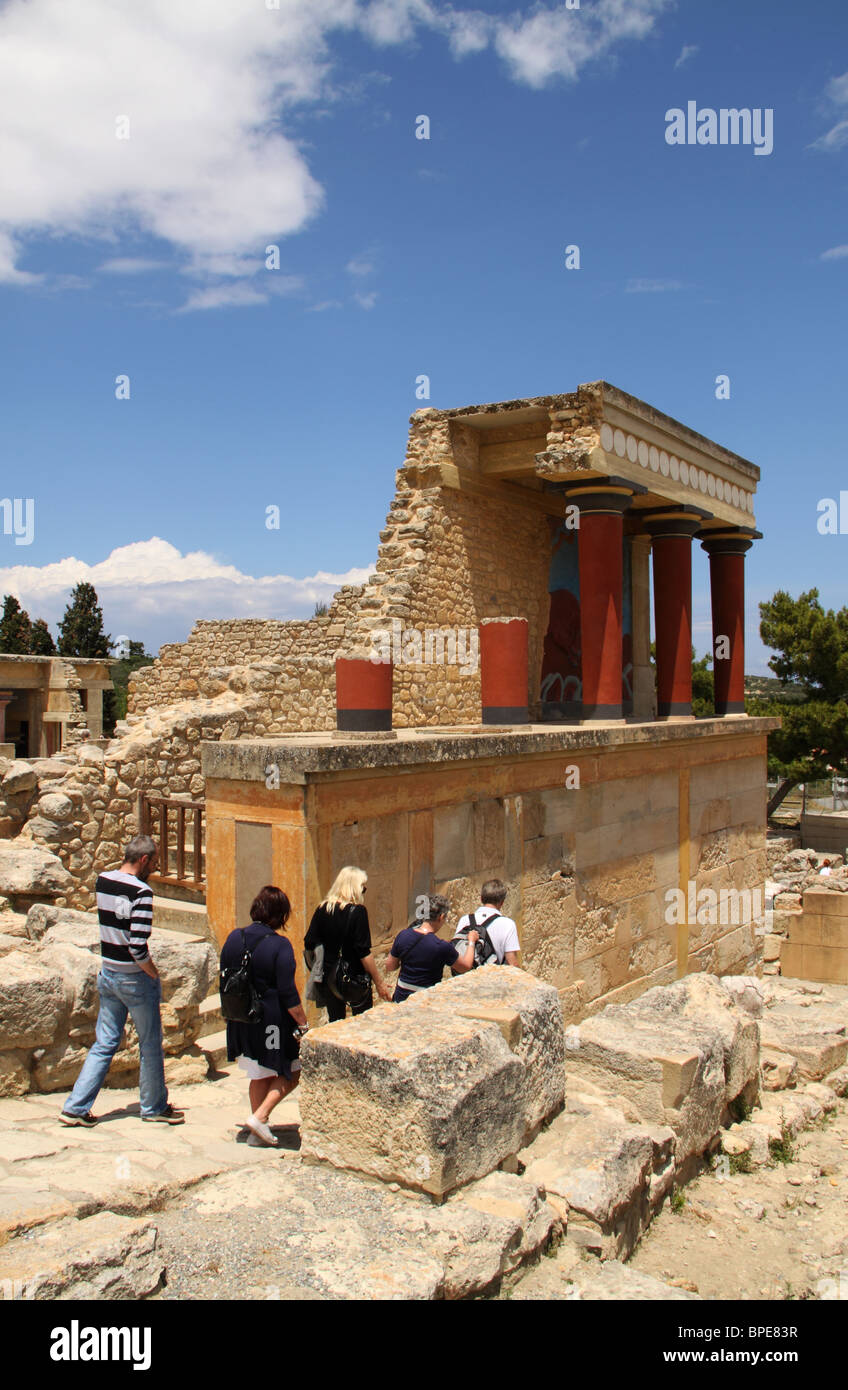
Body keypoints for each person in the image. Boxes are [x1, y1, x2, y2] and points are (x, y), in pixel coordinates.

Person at [60, 835, 184, 1127]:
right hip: (134, 978)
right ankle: (153, 1106)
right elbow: (137, 945)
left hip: (108, 974)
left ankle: (76, 1107)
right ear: (143, 860)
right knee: (150, 1043)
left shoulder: (103, 880)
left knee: (104, 1043)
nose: (153, 868)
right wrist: (153, 973)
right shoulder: (142, 892)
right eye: (153, 863)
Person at [220, 885, 307, 1147]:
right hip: (271, 1023)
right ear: (281, 915)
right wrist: (303, 1022)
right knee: (292, 1069)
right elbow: (288, 992)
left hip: (241, 1018)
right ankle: (261, 1116)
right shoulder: (280, 945)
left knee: (259, 1073)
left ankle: (258, 1131)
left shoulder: (235, 937)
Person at [304, 866, 392, 1021]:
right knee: (362, 1021)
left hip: (330, 977)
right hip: (354, 977)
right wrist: (379, 983)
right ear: (354, 888)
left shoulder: (322, 908)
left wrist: (320, 966)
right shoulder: (358, 912)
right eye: (362, 889)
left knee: (335, 1021)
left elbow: (309, 943)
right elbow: (364, 953)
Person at [385, 894, 478, 1002]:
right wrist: (471, 941)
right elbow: (465, 966)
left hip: (401, 999)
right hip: (425, 1001)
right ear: (441, 917)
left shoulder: (403, 935)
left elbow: (390, 966)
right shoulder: (442, 946)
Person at [453, 879, 520, 966]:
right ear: (502, 902)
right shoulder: (508, 924)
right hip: (492, 976)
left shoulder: (465, 920)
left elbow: (457, 950)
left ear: (481, 898)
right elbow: (512, 962)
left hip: (468, 977)